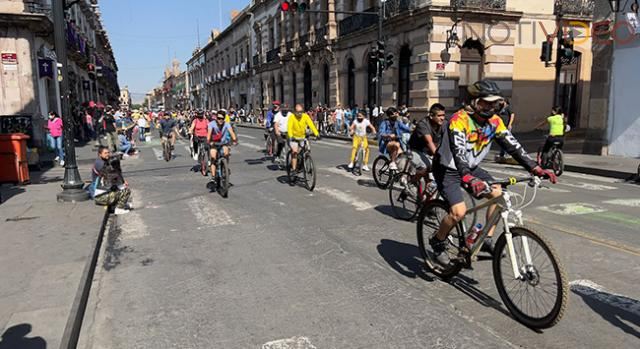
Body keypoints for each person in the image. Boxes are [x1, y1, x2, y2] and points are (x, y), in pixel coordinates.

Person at [429, 80, 558, 267]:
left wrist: (534, 168)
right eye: (486, 102)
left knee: (499, 195)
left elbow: (513, 146)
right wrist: (468, 178)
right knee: (459, 212)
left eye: (495, 103)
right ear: (473, 102)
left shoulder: (495, 122)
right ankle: (438, 241)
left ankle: (485, 239)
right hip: (448, 169)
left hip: (471, 168)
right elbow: (458, 154)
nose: (491, 107)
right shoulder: (459, 120)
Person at [407, 103, 446, 186]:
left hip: (429, 151)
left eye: (443, 115)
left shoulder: (444, 124)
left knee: (431, 179)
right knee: (425, 167)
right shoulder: (423, 124)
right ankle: (411, 183)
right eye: (439, 116)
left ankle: (425, 196)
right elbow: (429, 142)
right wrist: (439, 158)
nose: (442, 118)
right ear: (431, 116)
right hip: (415, 150)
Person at [89, 146, 131, 215]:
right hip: (99, 192)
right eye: (105, 153)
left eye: (108, 152)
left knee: (119, 188)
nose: (107, 154)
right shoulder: (100, 163)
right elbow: (113, 180)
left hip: (101, 191)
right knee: (125, 190)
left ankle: (119, 204)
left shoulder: (105, 163)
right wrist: (122, 183)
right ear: (100, 154)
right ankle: (119, 208)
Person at [287, 104, 319, 182]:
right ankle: (294, 169)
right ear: (295, 112)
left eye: (301, 111)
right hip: (293, 138)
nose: (300, 113)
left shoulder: (305, 116)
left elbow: (311, 125)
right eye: (298, 112)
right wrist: (291, 136)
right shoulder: (292, 117)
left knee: (305, 150)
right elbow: (289, 127)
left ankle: (303, 163)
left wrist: (317, 134)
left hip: (302, 137)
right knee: (294, 152)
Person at [207, 110, 238, 185]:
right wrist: (208, 141)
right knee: (213, 157)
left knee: (226, 152)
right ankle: (213, 177)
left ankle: (225, 167)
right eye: (218, 118)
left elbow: (232, 133)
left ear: (224, 119)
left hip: (223, 143)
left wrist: (234, 140)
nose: (220, 120)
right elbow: (209, 134)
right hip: (214, 143)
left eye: (222, 118)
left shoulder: (227, 124)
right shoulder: (212, 124)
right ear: (216, 118)